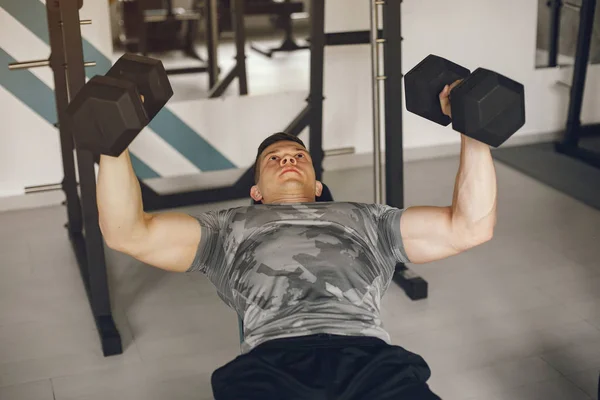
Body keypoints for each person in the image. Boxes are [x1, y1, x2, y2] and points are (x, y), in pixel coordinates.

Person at [97, 82, 496, 399]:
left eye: (298, 156)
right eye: (273, 158)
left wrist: (471, 127)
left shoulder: (368, 217)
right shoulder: (226, 227)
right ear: (256, 192)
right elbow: (127, 233)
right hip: (271, 363)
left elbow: (470, 227)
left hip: (369, 359)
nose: (287, 159)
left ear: (318, 183)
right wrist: (116, 138)